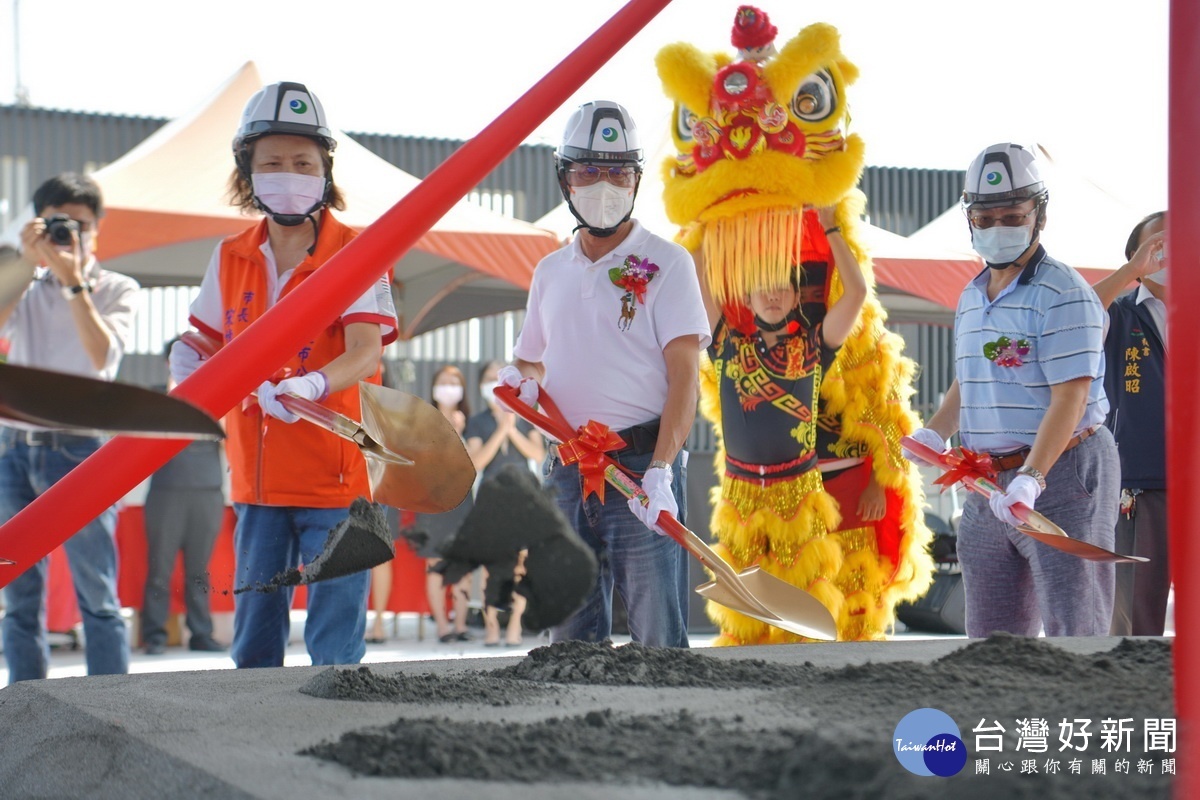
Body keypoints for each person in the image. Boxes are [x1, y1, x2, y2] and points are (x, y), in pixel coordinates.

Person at [169, 82, 398, 668]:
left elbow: (366, 350)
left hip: (338, 480)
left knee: (335, 648)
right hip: (257, 481)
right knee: (253, 644)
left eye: (303, 162)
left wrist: (315, 383)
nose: (288, 174)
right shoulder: (230, 255)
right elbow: (207, 340)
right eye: (271, 163)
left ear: (326, 170)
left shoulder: (358, 251)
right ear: (247, 171)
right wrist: (187, 355)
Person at [503, 100, 710, 648]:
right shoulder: (549, 272)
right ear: (565, 179)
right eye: (587, 170)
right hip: (566, 471)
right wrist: (520, 377)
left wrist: (662, 472)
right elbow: (530, 359)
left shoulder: (667, 262)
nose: (603, 185)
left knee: (657, 638)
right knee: (568, 640)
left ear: (637, 179)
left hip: (641, 472)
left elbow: (686, 378)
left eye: (618, 171)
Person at [903, 142, 1119, 637]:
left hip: (1064, 475)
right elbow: (971, 377)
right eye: (985, 217)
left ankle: (1073, 715)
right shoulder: (971, 294)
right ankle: (1001, 716)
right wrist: (936, 433)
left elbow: (1072, 397)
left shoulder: (1065, 293)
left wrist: (1032, 478)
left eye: (1012, 215)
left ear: (1038, 215)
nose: (998, 227)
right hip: (982, 480)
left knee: (1076, 630)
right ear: (970, 220)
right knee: (992, 638)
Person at [696, 205, 868, 642]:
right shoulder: (726, 347)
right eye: (762, 289)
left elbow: (856, 294)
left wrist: (830, 225)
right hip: (740, 494)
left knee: (803, 605)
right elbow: (696, 273)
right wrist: (705, 217)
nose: (772, 296)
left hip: (798, 491)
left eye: (781, 289)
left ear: (795, 299)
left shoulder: (815, 347)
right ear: (747, 299)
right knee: (743, 610)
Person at [0, 173, 138, 682]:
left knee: (97, 597)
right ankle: (24, 712)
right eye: (56, 225)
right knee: (18, 598)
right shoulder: (24, 284)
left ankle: (111, 712)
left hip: (81, 448)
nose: (68, 236)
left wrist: (73, 280)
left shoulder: (118, 287)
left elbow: (103, 355)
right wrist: (22, 262)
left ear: (97, 230)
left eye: (78, 225)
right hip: (14, 446)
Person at [1093, 212, 1169, 635]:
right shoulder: (1119, 314)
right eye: (1160, 242)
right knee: (1135, 612)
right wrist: (1129, 273)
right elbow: (1073, 313)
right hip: (1139, 478)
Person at [141, 337, 227, 655]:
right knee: (160, 566)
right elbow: (147, 436)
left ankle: (201, 633)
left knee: (199, 569)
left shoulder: (217, 396)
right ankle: (154, 634)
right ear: (168, 364)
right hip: (167, 491)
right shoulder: (154, 396)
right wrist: (173, 390)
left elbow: (228, 434)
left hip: (207, 491)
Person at [464, 360, 545, 645]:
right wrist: (501, 430)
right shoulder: (477, 421)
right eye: (488, 377)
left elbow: (538, 454)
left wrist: (512, 428)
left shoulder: (526, 416)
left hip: (524, 498)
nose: (493, 382)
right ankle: (491, 627)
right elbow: (477, 462)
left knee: (521, 564)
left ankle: (514, 625)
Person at [414, 364, 474, 643]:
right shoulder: (422, 418)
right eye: (443, 381)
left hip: (462, 500)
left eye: (454, 382)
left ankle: (460, 624)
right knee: (436, 563)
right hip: (433, 501)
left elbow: (470, 463)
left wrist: (459, 431)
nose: (449, 387)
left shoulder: (470, 421)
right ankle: (442, 625)